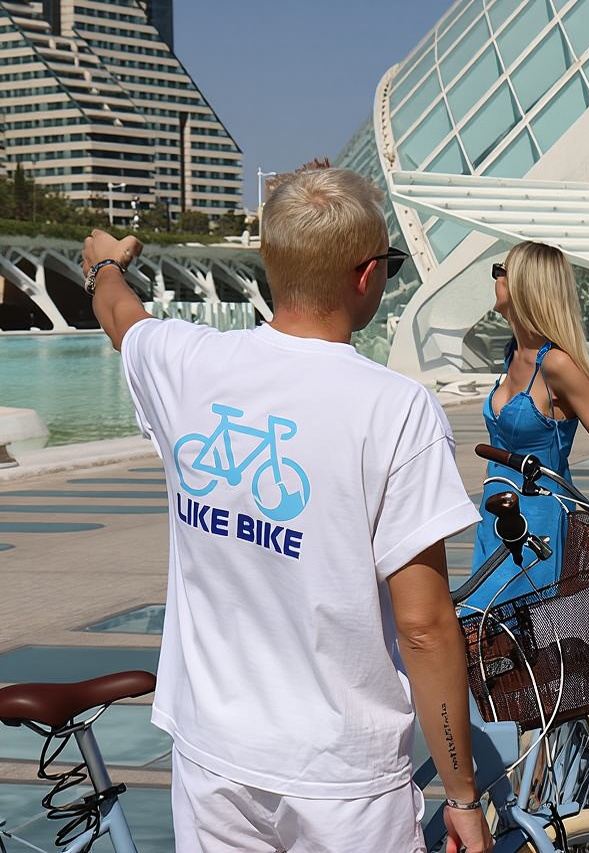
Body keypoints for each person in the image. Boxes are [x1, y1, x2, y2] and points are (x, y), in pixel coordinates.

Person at [82, 168, 493, 853]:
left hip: (213, 757)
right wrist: (462, 794)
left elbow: (121, 316)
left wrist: (103, 263)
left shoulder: (187, 363)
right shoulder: (394, 410)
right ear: (367, 277)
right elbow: (424, 627)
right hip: (344, 780)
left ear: (271, 263)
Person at [470, 242, 589, 607]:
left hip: (538, 525)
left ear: (524, 285)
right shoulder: (511, 352)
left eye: (501, 269)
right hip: (495, 514)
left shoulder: (556, 365)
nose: (495, 276)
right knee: (485, 632)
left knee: (532, 641)